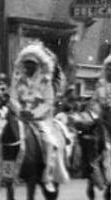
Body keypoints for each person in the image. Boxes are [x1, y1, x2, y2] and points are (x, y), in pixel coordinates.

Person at [8, 43, 69, 190]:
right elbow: (12, 98)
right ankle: (5, 173)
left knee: (50, 142)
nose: (28, 67)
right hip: (20, 117)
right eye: (26, 64)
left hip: (41, 120)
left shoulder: (45, 81)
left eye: (32, 64)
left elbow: (48, 102)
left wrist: (34, 114)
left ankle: (48, 176)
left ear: (38, 65)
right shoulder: (18, 80)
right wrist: (19, 110)